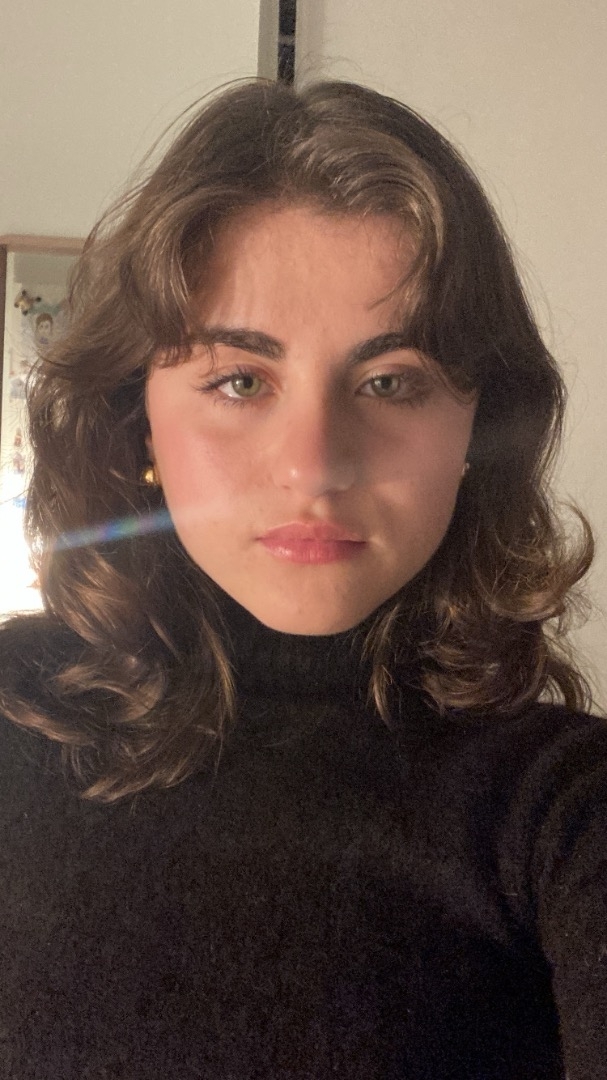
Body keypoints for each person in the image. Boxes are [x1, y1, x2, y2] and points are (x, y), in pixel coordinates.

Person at [0, 78, 604, 1080]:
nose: (315, 465)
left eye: (390, 382)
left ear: (478, 430)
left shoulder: (562, 810)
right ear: (137, 420)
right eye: (240, 381)